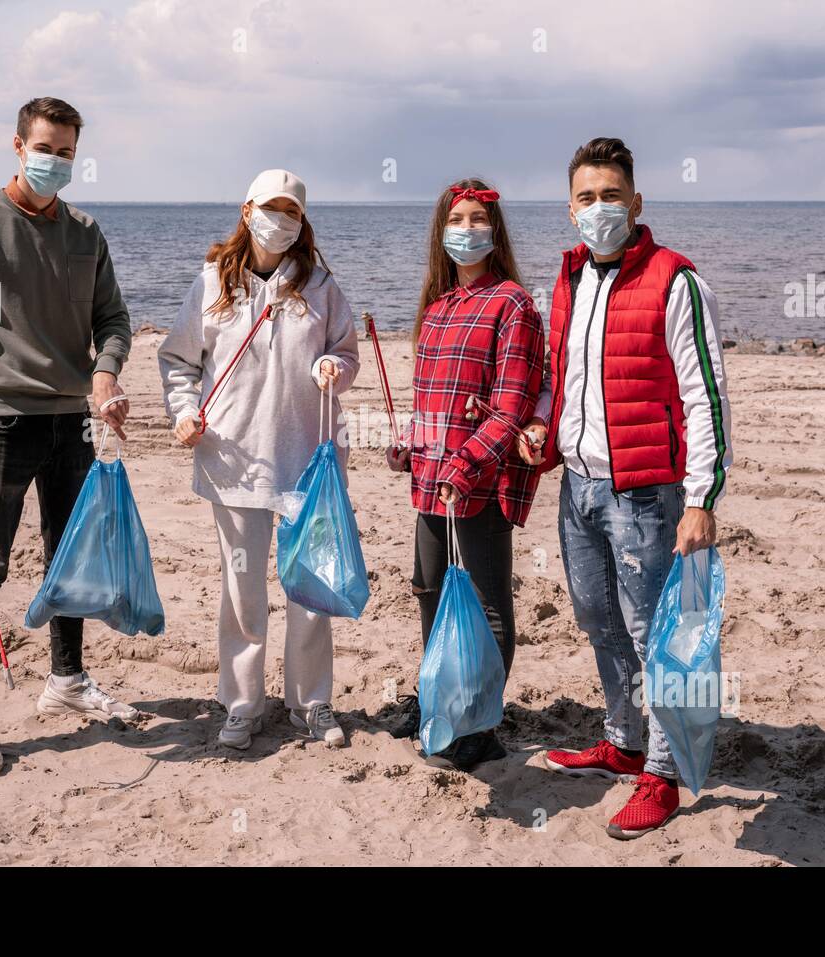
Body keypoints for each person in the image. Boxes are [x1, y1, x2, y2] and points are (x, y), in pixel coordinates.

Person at [520, 137, 733, 837]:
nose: (599, 208)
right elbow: (561, 378)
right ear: (570, 208)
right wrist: (542, 428)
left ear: (636, 203)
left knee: (655, 634)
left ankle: (664, 775)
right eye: (587, 198)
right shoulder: (571, 279)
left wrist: (700, 499)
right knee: (596, 618)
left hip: (646, 493)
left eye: (612, 196)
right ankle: (623, 737)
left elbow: (706, 395)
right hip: (578, 487)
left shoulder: (676, 281)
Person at [0, 97, 138, 774]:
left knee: (68, 556)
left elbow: (113, 319)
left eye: (68, 152)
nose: (56, 161)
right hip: (1, 420)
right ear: (18, 145)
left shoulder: (86, 232)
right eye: (46, 147)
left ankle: (67, 680)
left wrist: (105, 376)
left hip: (73, 420)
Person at [158, 169, 359, 751]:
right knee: (242, 591)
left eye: (293, 211)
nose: (282, 220)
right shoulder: (210, 285)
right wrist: (182, 411)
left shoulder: (321, 286)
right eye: (273, 208)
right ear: (247, 210)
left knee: (308, 590)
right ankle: (242, 703)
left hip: (306, 463)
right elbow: (179, 361)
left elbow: (345, 351)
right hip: (233, 459)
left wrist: (335, 369)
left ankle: (310, 702)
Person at [385, 179, 544, 772]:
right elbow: (430, 399)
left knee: (485, 601)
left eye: (479, 218)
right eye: (459, 218)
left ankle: (480, 722)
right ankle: (438, 699)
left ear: (495, 231)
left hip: (480, 480)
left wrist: (465, 462)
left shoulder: (514, 306)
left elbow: (511, 405)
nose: (468, 228)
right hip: (431, 478)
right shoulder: (436, 306)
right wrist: (408, 443)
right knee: (430, 591)